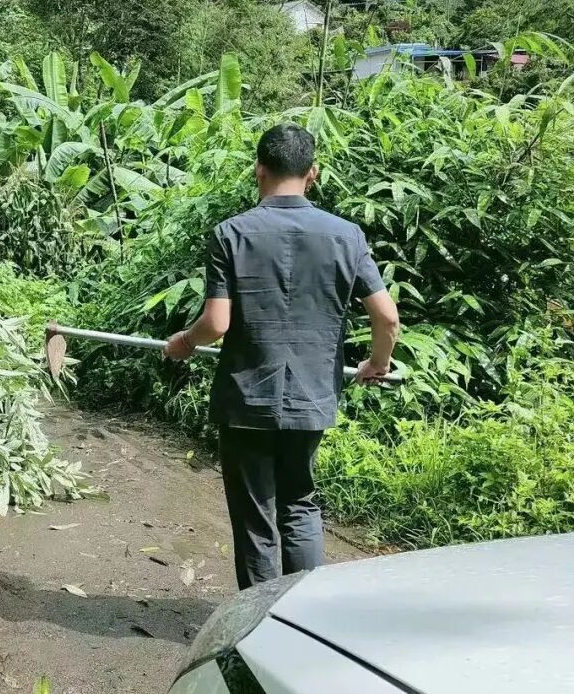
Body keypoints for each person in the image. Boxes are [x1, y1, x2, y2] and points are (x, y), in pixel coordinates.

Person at [164, 123, 400, 591]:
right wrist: (378, 362)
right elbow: (387, 318)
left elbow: (216, 324)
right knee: (301, 503)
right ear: (312, 173)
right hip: (312, 395)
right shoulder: (346, 236)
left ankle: (258, 623)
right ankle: (304, 615)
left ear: (259, 170)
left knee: (255, 516)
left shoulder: (231, 234)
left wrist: (183, 344)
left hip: (247, 398)